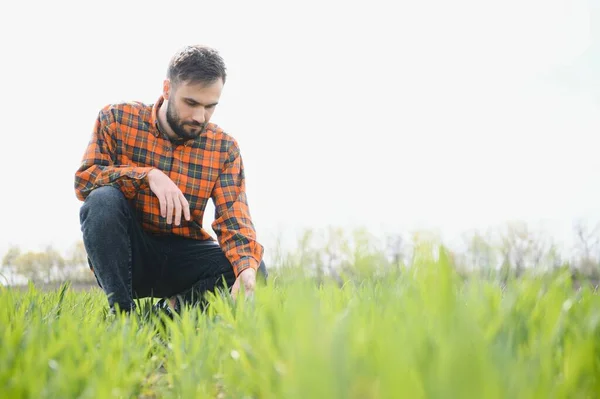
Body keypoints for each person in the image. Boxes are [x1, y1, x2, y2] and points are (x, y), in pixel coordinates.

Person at [74, 45, 267, 314]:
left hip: (184, 255)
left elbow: (234, 216)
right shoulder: (116, 119)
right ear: (167, 89)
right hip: (129, 254)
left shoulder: (224, 148)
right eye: (191, 103)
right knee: (102, 199)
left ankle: (164, 315)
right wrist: (147, 175)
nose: (200, 117)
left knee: (250, 267)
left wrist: (246, 265)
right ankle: (122, 316)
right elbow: (85, 181)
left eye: (210, 106)